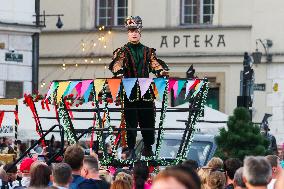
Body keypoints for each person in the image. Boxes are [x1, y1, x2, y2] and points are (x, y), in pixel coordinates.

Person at [109, 16, 169, 157]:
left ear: (140, 32)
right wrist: (119, 71)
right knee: (130, 119)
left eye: (136, 30)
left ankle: (148, 146)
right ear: (128, 33)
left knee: (148, 117)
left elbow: (155, 64)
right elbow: (117, 63)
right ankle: (130, 148)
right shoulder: (123, 50)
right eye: (131, 31)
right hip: (129, 89)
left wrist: (160, 71)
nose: (134, 33)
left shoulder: (147, 51)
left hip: (145, 89)